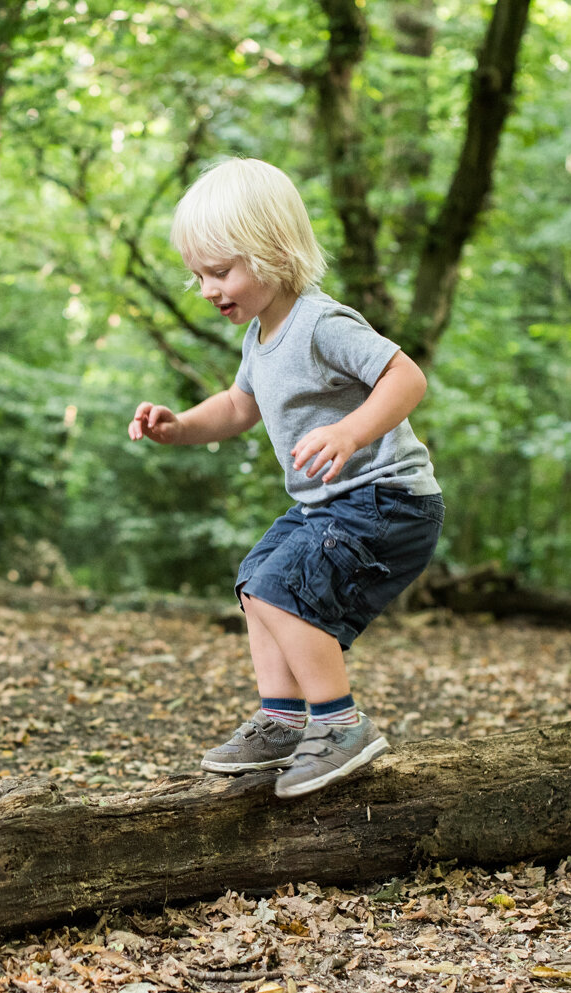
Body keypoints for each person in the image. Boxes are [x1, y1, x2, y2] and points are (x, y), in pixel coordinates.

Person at [127, 157, 444, 798]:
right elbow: (239, 407)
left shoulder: (322, 323)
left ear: (273, 251)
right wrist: (178, 424)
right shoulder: (258, 336)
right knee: (255, 580)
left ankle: (340, 724)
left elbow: (406, 377)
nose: (209, 289)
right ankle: (280, 720)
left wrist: (351, 431)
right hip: (330, 505)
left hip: (387, 499)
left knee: (283, 585)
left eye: (220, 271)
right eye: (198, 277)